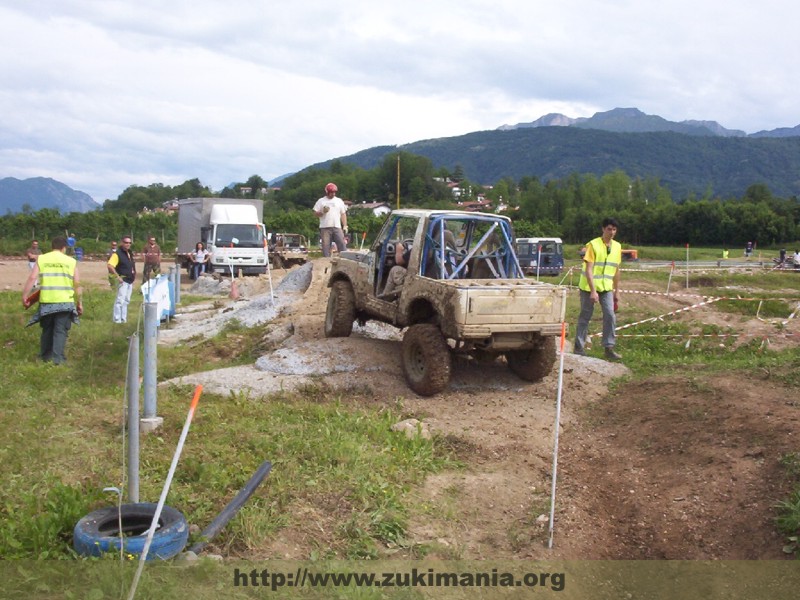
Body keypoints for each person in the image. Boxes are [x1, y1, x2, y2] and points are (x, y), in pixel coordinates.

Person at [21, 236, 82, 364]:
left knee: (47, 329)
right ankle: (58, 359)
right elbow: (77, 283)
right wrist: (79, 303)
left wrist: (25, 296)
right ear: (64, 247)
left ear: (52, 247)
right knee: (60, 330)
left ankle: (45, 357)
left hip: (47, 300)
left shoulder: (42, 258)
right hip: (65, 300)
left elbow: (32, 278)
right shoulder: (71, 261)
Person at [574, 217, 622, 361]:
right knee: (585, 315)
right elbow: (589, 269)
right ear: (603, 229)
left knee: (610, 315)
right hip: (589, 287)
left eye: (614, 229)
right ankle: (579, 346)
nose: (612, 232)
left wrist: (616, 291)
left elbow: (616, 270)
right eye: (609, 229)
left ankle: (609, 347)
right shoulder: (593, 245)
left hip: (606, 288)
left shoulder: (617, 247)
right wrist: (593, 291)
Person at [313, 183, 348, 257]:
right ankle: (326, 260)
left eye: (334, 192)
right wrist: (322, 212)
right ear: (327, 192)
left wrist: (345, 225)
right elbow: (315, 214)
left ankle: (345, 258)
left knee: (342, 243)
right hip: (325, 227)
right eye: (332, 192)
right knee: (326, 246)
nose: (333, 194)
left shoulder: (339, 201)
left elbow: (343, 214)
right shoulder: (321, 201)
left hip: (337, 226)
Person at [107, 236, 136, 324]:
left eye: (129, 243)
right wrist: (117, 277)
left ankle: (123, 319)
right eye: (126, 242)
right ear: (122, 243)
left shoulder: (129, 253)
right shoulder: (117, 254)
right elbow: (110, 265)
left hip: (130, 280)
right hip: (122, 280)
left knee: (126, 300)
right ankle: (117, 319)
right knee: (120, 300)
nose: (128, 244)